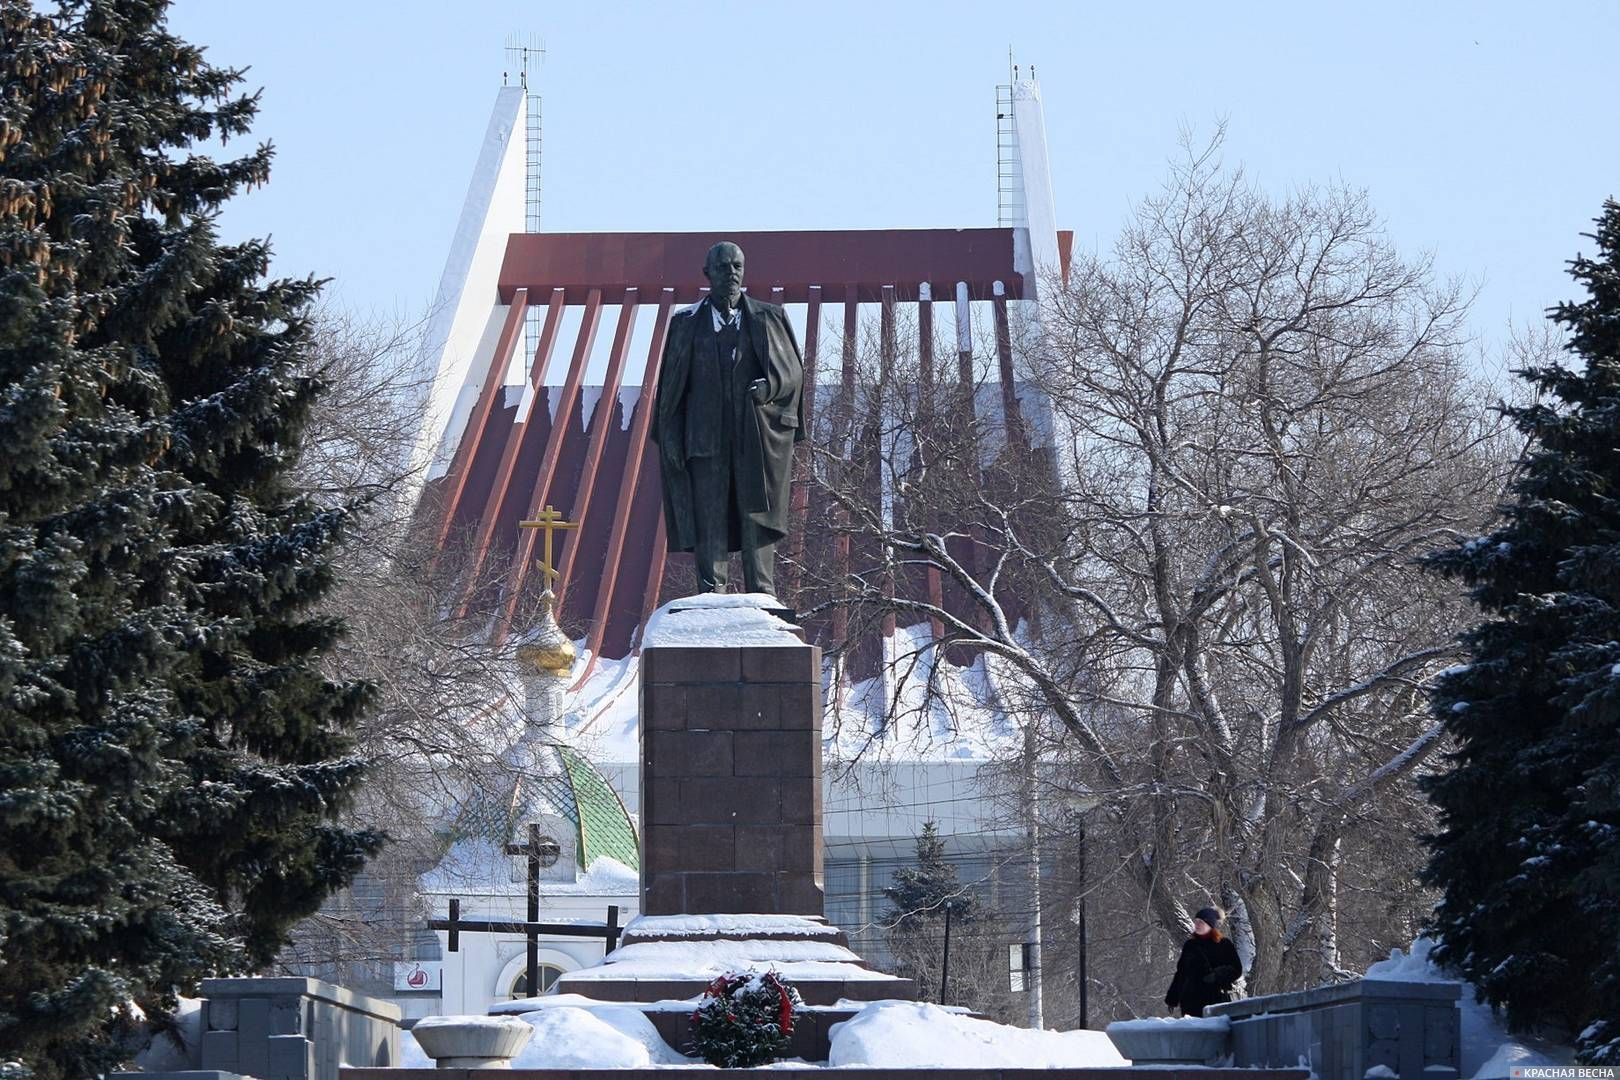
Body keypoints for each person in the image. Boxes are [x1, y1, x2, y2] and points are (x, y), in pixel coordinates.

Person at [651, 241, 807, 596]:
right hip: (704, 439)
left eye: (737, 266)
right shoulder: (686, 324)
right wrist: (671, 437)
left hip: (754, 437)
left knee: (756, 514)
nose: (731, 273)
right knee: (710, 517)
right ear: (707, 273)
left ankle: (762, 594)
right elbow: (672, 390)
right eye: (722, 267)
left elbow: (794, 373)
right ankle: (711, 593)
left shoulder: (769, 318)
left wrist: (769, 387)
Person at [1164, 905, 1243, 1017]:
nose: (1197, 925)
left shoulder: (1224, 944)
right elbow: (1181, 973)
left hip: (1215, 1001)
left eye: (1201, 922)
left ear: (1210, 925)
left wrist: (1217, 975)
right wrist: (1172, 998)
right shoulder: (1190, 945)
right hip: (1190, 1003)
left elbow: (1236, 969)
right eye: (1196, 921)